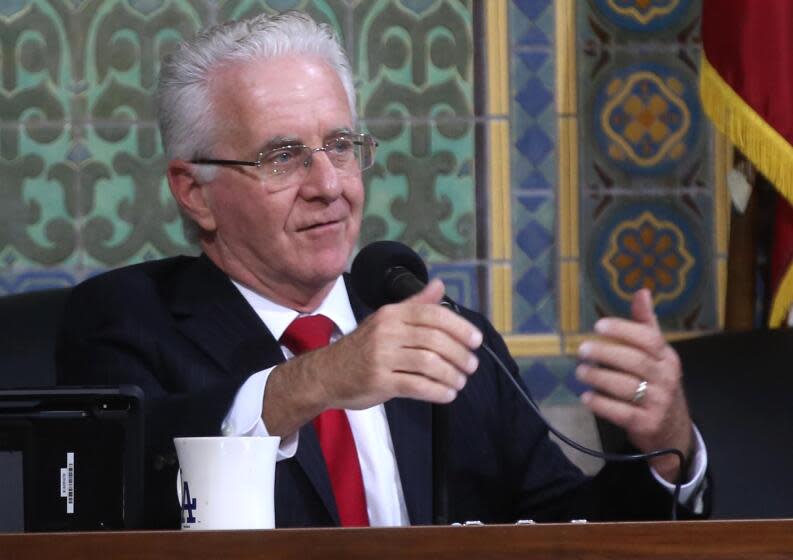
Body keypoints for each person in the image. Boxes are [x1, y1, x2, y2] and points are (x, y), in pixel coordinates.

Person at [56, 12, 707, 529]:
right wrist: (313, 381)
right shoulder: (125, 319)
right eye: (282, 157)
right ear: (194, 191)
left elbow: (574, 534)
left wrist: (663, 444)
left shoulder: (451, 342)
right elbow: (120, 490)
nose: (328, 185)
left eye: (340, 146)